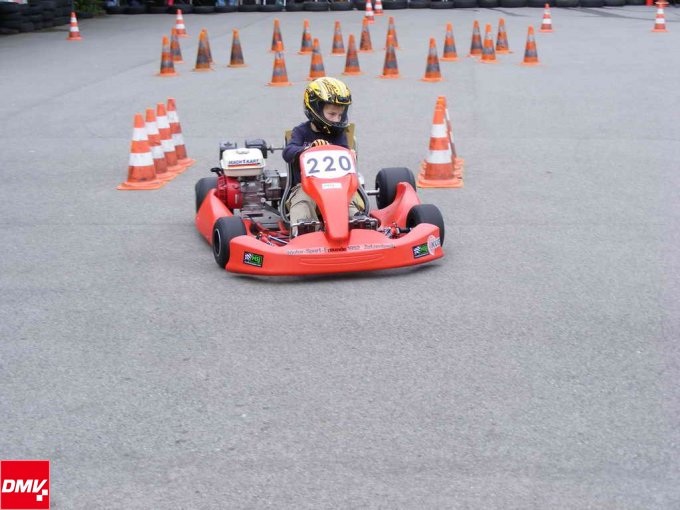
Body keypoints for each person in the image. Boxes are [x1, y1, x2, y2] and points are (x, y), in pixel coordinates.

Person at [282, 77, 366, 237]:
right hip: (307, 187)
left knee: (348, 200)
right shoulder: (301, 131)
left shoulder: (339, 134)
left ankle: (356, 224)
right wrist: (307, 150)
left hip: (339, 186)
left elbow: (344, 153)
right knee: (302, 200)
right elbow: (288, 152)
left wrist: (348, 154)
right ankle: (303, 228)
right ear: (315, 109)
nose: (337, 119)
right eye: (332, 114)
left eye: (340, 115)